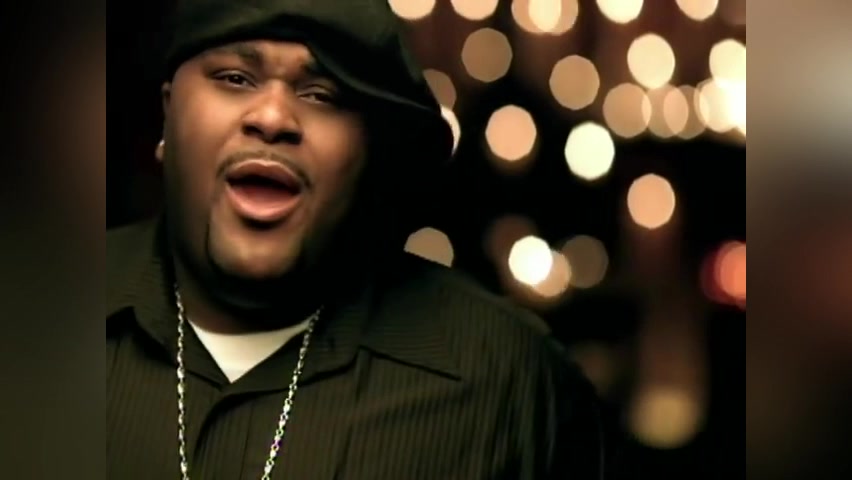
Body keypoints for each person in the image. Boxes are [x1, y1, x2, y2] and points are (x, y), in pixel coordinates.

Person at [107, 1, 608, 478]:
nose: (273, 118)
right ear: (167, 114)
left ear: (370, 152)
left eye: (322, 94)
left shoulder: (508, 383)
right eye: (235, 79)